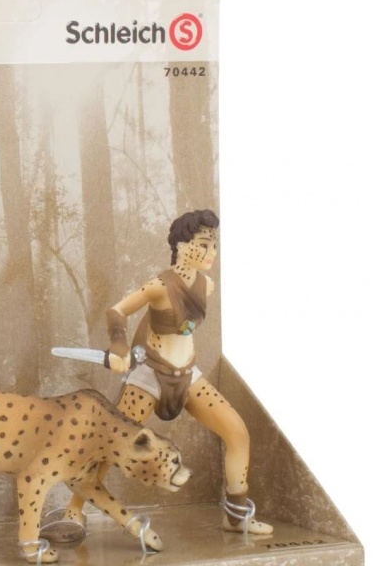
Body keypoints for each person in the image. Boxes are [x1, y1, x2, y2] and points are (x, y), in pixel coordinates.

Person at [64, 209, 272, 536]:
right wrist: (119, 345)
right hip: (150, 377)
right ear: (181, 245)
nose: (211, 252)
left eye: (214, 245)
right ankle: (73, 511)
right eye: (202, 244)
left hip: (188, 376)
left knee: (237, 432)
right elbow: (117, 311)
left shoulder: (207, 285)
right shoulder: (159, 285)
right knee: (111, 445)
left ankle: (236, 516)